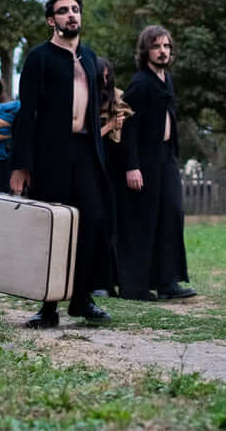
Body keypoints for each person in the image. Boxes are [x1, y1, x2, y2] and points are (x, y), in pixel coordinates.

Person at [10, 0, 114, 328]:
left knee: (92, 220)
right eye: (63, 11)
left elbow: (95, 111)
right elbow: (27, 114)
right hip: (51, 154)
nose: (71, 15)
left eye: (75, 10)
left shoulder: (89, 57)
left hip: (86, 151)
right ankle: (48, 307)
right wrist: (21, 164)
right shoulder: (39, 57)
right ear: (51, 20)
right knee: (54, 226)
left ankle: (82, 299)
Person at [118, 26, 195, 301]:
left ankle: (167, 281)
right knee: (144, 220)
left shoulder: (166, 79)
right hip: (144, 159)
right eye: (156, 46)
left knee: (172, 214)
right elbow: (129, 128)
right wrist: (132, 166)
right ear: (145, 51)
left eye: (166, 46)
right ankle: (135, 286)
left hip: (166, 156)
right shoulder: (140, 83)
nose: (163, 51)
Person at [93, 57, 131, 298]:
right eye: (101, 75)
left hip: (115, 166)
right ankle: (99, 281)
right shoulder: (86, 101)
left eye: (108, 75)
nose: (105, 80)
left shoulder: (118, 97)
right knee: (98, 222)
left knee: (115, 224)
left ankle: (117, 280)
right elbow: (87, 139)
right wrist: (109, 126)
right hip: (94, 165)